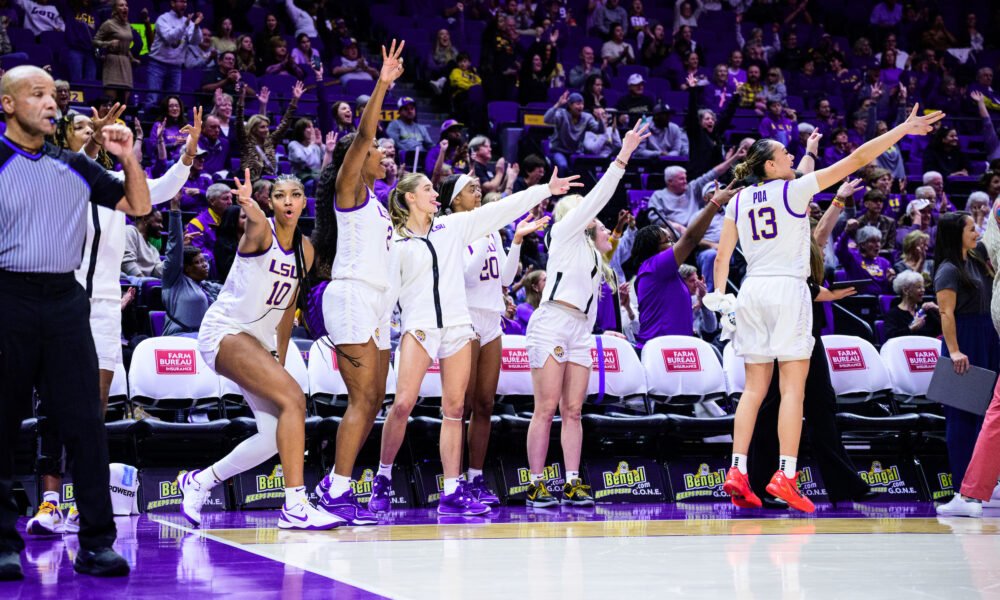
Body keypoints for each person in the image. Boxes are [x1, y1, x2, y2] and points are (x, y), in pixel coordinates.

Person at [711, 104, 944, 513]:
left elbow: (720, 260)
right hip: (787, 290)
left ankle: (737, 469)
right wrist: (903, 130)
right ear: (770, 165)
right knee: (793, 390)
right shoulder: (795, 191)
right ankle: (785, 474)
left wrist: (719, 301)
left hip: (748, 293)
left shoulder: (738, 200)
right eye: (785, 154)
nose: (791, 157)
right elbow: (857, 159)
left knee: (753, 389)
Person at [0, 65, 150, 580]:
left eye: (53, 94)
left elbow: (139, 203)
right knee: (2, 425)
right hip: (8, 295)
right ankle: (2, 544)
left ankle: (96, 544)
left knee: (86, 424)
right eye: (35, 94)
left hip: (67, 300)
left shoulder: (74, 166)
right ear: (8, 104)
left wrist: (127, 154)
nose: (50, 101)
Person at [28, 108, 202, 536]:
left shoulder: (115, 191)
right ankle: (49, 503)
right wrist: (91, 145)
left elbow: (157, 191)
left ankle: (81, 504)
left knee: (94, 411)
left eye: (95, 129)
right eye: (83, 129)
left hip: (104, 309)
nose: (93, 134)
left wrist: (188, 153)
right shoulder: (56, 178)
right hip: (62, 302)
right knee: (53, 405)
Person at [176, 169, 338, 530]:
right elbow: (254, 226)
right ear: (271, 202)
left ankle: (199, 482)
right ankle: (295, 504)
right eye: (280, 195)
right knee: (295, 400)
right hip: (225, 332)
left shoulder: (305, 250)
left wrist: (277, 360)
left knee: (270, 436)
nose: (289, 202)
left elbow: (285, 314)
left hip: (258, 343)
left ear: (303, 200)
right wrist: (248, 205)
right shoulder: (261, 231)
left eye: (295, 194)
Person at [522, 121, 649, 508]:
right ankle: (537, 483)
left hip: (579, 329)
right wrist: (623, 155)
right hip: (552, 323)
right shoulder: (563, 233)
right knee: (545, 408)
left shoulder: (593, 255)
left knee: (574, 410)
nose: (598, 218)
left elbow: (607, 252)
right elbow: (597, 198)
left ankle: (573, 480)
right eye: (591, 214)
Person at [309, 41, 406, 525]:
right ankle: (336, 492)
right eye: (376, 151)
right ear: (358, 156)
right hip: (350, 297)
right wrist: (382, 83)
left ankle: (334, 484)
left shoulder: (378, 201)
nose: (383, 154)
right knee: (362, 399)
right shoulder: (349, 189)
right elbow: (366, 131)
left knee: (373, 401)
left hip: (379, 306)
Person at [746, 177, 872, 508]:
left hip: (807, 333)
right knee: (775, 407)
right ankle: (760, 484)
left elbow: (819, 235)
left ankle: (843, 485)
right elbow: (817, 235)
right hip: (783, 332)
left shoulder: (805, 240)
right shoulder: (781, 244)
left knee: (821, 407)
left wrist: (839, 199)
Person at [440, 174, 550, 506]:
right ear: (456, 199)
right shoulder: (451, 229)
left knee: (486, 404)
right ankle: (454, 481)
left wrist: (514, 241)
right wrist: (484, 237)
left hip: (491, 319)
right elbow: (461, 276)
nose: (478, 193)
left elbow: (504, 278)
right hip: (465, 318)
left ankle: (475, 476)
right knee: (463, 405)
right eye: (471, 189)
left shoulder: (491, 233)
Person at [937, 200, 1000, 517]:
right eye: (971, 228)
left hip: (988, 335)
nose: (977, 231)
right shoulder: (948, 268)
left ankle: (983, 485)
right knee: (961, 418)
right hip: (962, 340)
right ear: (955, 234)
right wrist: (955, 350)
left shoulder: (978, 258)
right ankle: (961, 488)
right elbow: (946, 313)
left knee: (986, 416)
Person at [630, 178, 740, 346]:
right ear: (653, 247)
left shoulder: (667, 273)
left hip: (678, 350)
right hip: (658, 349)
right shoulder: (653, 266)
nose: (674, 244)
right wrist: (715, 203)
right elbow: (690, 239)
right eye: (667, 240)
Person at [237, 81, 303, 181]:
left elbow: (285, 123)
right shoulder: (246, 142)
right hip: (251, 183)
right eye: (262, 127)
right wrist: (241, 99)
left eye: (267, 127)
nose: (266, 130)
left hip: (270, 182)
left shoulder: (270, 142)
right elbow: (239, 121)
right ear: (253, 129)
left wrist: (295, 100)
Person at [147, 0, 203, 106]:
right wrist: (185, 25)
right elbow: (169, 38)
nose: (185, 5)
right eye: (181, 1)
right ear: (173, 3)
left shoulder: (188, 22)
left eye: (186, 2)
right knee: (152, 99)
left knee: (173, 102)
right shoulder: (163, 19)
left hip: (176, 67)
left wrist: (196, 27)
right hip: (157, 65)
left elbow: (196, 41)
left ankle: (171, 123)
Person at [543, 91, 607, 172]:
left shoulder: (587, 117)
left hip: (576, 152)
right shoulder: (562, 114)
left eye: (582, 104)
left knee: (584, 168)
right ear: (570, 105)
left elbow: (600, 131)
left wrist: (600, 119)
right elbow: (546, 120)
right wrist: (558, 104)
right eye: (578, 104)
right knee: (562, 166)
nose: (581, 106)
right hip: (559, 151)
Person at [93, 0, 138, 104]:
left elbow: (126, 47)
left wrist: (132, 59)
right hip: (112, 62)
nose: (125, 7)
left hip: (125, 63)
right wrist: (108, 44)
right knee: (110, 101)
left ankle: (122, 120)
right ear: (115, 9)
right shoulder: (108, 24)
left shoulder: (128, 25)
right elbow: (95, 41)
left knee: (124, 103)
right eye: (121, 5)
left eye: (126, 5)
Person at [885, 270, 941, 339]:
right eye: (919, 287)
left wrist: (938, 309)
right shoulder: (892, 314)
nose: (923, 290)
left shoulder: (926, 310)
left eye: (923, 287)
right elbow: (890, 337)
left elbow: (942, 330)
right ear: (905, 290)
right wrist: (911, 328)